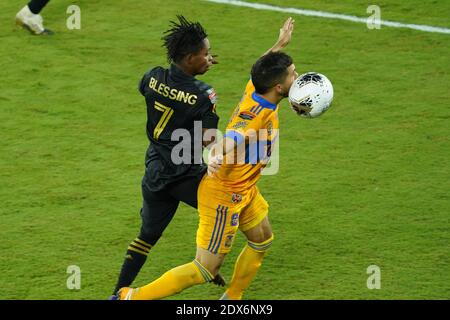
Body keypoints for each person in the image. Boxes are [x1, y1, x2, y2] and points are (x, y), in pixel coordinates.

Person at [117, 17, 298, 300]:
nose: (297, 79)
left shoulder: (257, 89)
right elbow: (232, 137)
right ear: (278, 88)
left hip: (243, 189)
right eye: (293, 75)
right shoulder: (254, 117)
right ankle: (130, 297)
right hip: (225, 193)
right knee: (204, 269)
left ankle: (232, 298)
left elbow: (261, 70)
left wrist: (279, 45)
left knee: (262, 239)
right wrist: (215, 154)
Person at [110, 15, 225, 299]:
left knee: (145, 238)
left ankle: (116, 295)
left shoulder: (152, 76)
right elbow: (209, 138)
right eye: (205, 54)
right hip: (186, 174)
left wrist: (191, 78)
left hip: (155, 172)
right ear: (189, 58)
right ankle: (209, 266)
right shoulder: (204, 95)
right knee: (229, 207)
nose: (209, 58)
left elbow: (152, 91)